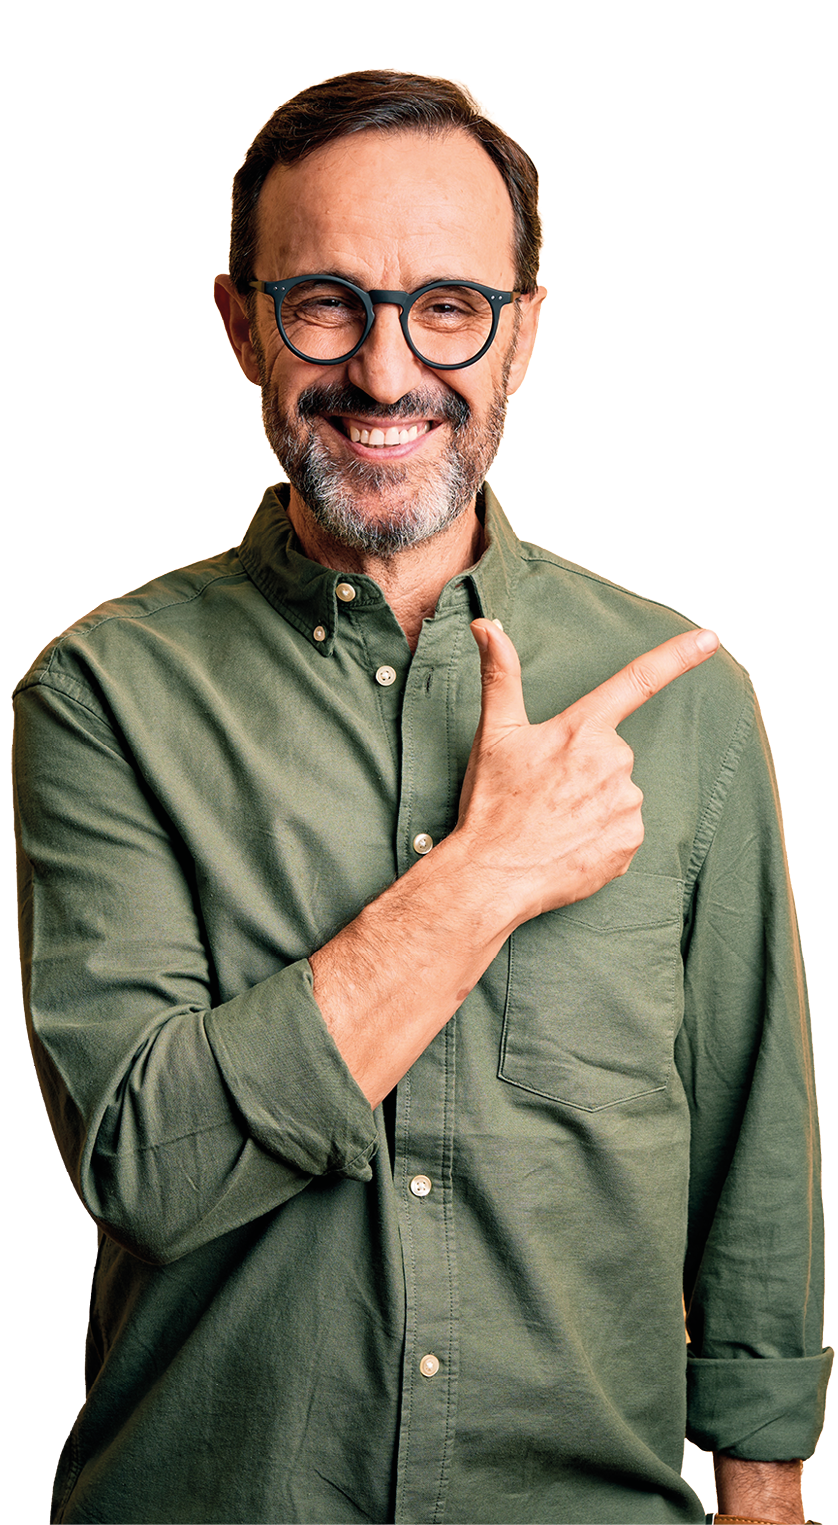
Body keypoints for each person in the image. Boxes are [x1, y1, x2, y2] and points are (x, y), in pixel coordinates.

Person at [13, 68, 830, 1525]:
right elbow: (150, 1162)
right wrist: (486, 875)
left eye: (447, 307)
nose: (387, 374)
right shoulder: (103, 695)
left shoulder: (673, 690)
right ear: (239, 322)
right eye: (326, 301)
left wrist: (765, 1494)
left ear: (520, 331)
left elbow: (749, 1146)